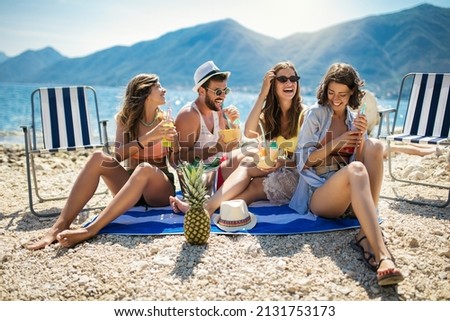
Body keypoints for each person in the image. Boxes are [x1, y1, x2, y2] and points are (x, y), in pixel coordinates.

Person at [27, 74, 178, 250]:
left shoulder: (165, 121)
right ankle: (59, 226)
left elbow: (175, 162)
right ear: (145, 93)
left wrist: (174, 145)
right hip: (130, 187)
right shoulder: (125, 119)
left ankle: (90, 230)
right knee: (98, 157)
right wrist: (148, 138)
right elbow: (118, 156)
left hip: (158, 189)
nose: (163, 89)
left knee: (144, 168)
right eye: (158, 86)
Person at [289, 63, 404, 286]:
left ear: (352, 92)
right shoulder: (316, 115)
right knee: (356, 169)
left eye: (342, 94)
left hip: (348, 196)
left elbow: (358, 164)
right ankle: (383, 256)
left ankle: (364, 231)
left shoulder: (353, 118)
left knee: (376, 146)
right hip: (320, 194)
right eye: (331, 92)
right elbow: (302, 162)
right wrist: (339, 141)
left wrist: (359, 137)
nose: (336, 99)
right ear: (325, 90)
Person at [171, 61, 306, 215]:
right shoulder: (189, 115)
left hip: (293, 170)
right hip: (203, 178)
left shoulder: (304, 115)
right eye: (282, 79)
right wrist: (263, 94)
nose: (223, 96)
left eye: (293, 79)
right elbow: (248, 133)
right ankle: (207, 207)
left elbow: (308, 158)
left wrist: (230, 123)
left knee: (251, 159)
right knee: (252, 165)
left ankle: (205, 207)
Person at [174, 60, 243, 193]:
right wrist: (216, 148)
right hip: (200, 182)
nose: (223, 96)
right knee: (248, 159)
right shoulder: (189, 116)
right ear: (201, 91)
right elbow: (180, 158)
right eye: (218, 92)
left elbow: (234, 145)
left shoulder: (217, 110)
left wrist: (235, 122)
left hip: (220, 172)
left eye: (225, 90)